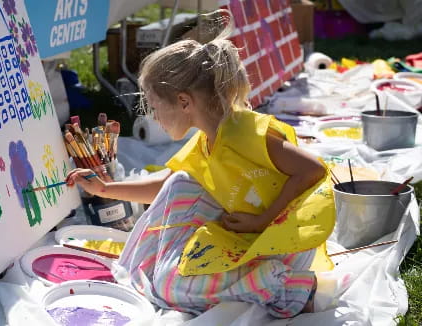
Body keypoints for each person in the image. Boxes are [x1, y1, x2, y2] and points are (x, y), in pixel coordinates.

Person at [66, 11, 343, 318]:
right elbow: (165, 186)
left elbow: (313, 169)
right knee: (179, 184)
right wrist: (106, 188)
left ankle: (293, 288)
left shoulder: (245, 132)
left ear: (184, 102)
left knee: (173, 287)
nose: (152, 117)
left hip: (281, 241)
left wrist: (262, 220)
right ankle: (155, 275)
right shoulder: (208, 140)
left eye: (154, 106)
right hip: (251, 234)